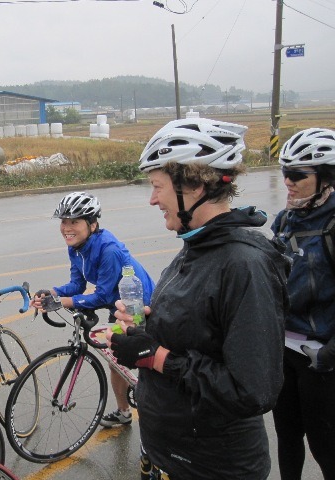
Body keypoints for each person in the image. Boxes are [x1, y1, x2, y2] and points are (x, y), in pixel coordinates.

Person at [106, 118, 290, 479]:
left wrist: (156, 356)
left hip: (213, 465)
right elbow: (198, 329)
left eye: (157, 186)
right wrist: (147, 328)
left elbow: (252, 390)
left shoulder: (243, 265)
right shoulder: (197, 246)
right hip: (168, 453)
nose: (153, 199)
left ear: (192, 184)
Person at [31, 191, 155, 427]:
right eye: (64, 221)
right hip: (117, 304)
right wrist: (53, 293)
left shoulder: (109, 250)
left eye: (74, 222)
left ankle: (154, 402)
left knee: (138, 357)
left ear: (92, 224)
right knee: (116, 358)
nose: (67, 228)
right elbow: (77, 285)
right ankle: (124, 412)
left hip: (140, 304)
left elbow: (102, 295)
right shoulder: (76, 246)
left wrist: (62, 302)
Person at [270, 128, 335, 480]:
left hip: (321, 356)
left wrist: (331, 352)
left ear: (325, 177)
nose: (288, 182)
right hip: (285, 350)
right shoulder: (285, 220)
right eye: (285, 172)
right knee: (288, 436)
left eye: (297, 175)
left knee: (324, 445)